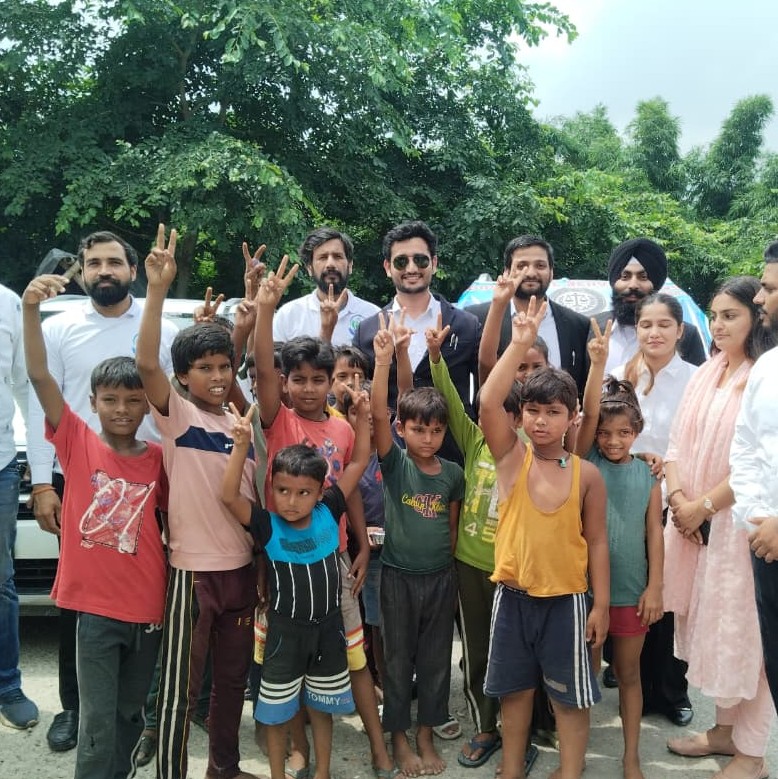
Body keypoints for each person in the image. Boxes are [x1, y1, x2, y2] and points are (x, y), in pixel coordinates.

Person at [25, 230, 178, 753]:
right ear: (83, 271)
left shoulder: (161, 325)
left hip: (153, 478)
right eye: (93, 263)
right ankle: (76, 708)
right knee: (81, 605)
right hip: (82, 472)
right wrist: (42, 481)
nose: (104, 270)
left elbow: (180, 399)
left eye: (114, 261)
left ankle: (142, 712)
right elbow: (40, 393)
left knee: (146, 591)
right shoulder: (60, 327)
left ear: (133, 270)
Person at [254, 257, 396, 779]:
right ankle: (299, 750)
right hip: (281, 561)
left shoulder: (341, 428)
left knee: (352, 657)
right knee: (288, 660)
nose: (310, 388)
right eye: (299, 379)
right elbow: (263, 369)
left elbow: (350, 487)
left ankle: (378, 747)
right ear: (286, 383)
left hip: (333, 558)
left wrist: (360, 547)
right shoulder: (277, 419)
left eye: (319, 379)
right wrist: (266, 309)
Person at [136, 225, 259, 779]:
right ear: (183, 377)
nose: (216, 376)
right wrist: (156, 289)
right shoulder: (178, 416)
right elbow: (146, 365)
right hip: (192, 575)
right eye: (204, 368)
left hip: (241, 571)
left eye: (224, 366)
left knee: (231, 685)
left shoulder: (242, 423)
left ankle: (224, 769)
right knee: (179, 689)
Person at [478, 294, 608, 779]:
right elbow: (488, 401)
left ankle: (570, 771)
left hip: (567, 602)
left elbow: (597, 542)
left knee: (570, 701)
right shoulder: (512, 457)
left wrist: (600, 605)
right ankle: (512, 769)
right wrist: (519, 345)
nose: (540, 420)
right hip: (513, 598)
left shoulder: (586, 475)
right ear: (521, 415)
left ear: (572, 418)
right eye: (532, 410)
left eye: (553, 412)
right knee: (514, 694)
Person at [221, 383, 369, 779]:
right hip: (284, 635)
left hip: (328, 631)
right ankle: (277, 773)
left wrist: (362, 419)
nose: (291, 500)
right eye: (283, 490)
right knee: (277, 712)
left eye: (303, 492)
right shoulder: (267, 525)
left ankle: (322, 772)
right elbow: (229, 497)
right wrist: (240, 447)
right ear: (271, 488)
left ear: (320, 492)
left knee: (321, 708)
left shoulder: (329, 511)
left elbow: (358, 461)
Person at [663, 276, 776, 779]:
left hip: (739, 526)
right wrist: (679, 501)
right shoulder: (707, 371)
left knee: (747, 640)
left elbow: (756, 458)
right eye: (713, 315)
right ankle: (725, 732)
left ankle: (752, 754)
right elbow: (675, 445)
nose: (718, 325)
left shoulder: (763, 374)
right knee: (716, 634)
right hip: (696, 527)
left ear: (756, 318)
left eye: (731, 315)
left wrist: (703, 506)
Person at [426, 313, 539, 774]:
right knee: (476, 651)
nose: (491, 422)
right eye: (487, 415)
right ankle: (485, 727)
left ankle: (520, 735)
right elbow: (453, 403)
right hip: (470, 566)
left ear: (520, 419)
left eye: (505, 416)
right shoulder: (473, 442)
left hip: (517, 571)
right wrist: (435, 357)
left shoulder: (534, 452)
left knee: (517, 653)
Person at [371, 314, 464, 777]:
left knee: (435, 661)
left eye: (436, 431)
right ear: (402, 429)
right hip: (397, 578)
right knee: (397, 660)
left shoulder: (453, 475)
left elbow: (452, 529)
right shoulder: (396, 465)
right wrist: (383, 362)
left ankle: (427, 732)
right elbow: (376, 415)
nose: (428, 439)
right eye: (418, 430)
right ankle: (398, 736)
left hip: (439, 579)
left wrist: (449, 574)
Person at [574, 320, 664, 779]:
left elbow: (655, 535)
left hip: (631, 591)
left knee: (629, 675)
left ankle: (631, 756)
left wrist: (656, 587)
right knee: (586, 674)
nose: (613, 440)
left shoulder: (648, 475)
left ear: (637, 431)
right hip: (585, 590)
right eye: (606, 433)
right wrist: (597, 363)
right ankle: (578, 752)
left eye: (624, 433)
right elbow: (589, 414)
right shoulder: (585, 460)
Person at [612, 292, 697, 728]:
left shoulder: (697, 380)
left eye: (664, 324)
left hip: (677, 502)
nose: (654, 332)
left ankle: (673, 692)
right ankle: (636, 685)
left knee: (671, 600)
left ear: (680, 330)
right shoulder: (619, 376)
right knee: (634, 596)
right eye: (646, 324)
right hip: (627, 502)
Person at [353, 220, 480, 464]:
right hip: (389, 460)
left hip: (454, 459)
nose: (411, 268)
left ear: (434, 263)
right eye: (401, 261)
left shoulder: (466, 325)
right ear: (388, 267)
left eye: (420, 260)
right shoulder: (368, 331)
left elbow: (483, 394)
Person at [731, 243, 778, 715]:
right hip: (765, 544)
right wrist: (757, 518)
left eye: (769, 288)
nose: (760, 298)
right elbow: (745, 447)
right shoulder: (768, 366)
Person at [467, 235, 590, 394]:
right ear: (506, 272)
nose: (531, 273)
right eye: (521, 266)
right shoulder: (476, 319)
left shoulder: (578, 325)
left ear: (551, 272)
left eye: (540, 265)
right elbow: (482, 372)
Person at [0, 283, 38, 731]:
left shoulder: (7, 303)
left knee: (1, 582)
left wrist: (42, 460)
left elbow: (24, 384)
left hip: (1, 465)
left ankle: (7, 685)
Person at [592, 238, 706, 373]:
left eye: (643, 277)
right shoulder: (593, 327)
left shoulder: (687, 335)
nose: (633, 285)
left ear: (655, 284)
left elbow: (699, 383)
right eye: (625, 277)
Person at [272, 227, 379, 346]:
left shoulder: (373, 315)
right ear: (309, 268)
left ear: (350, 265)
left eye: (337, 256)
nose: (330, 264)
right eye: (322, 257)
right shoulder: (289, 315)